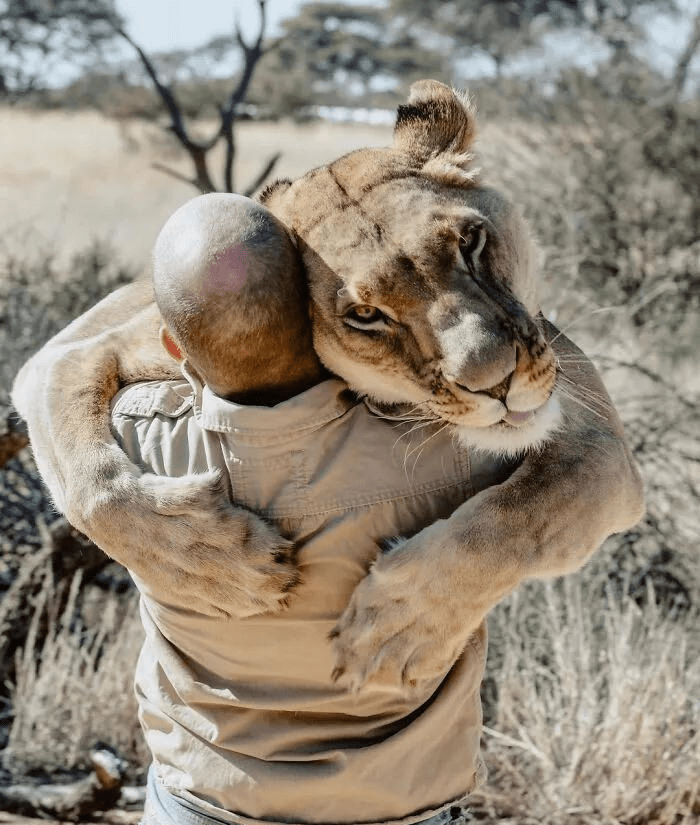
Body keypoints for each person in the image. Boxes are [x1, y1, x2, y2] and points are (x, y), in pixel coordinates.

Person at [112, 193, 517, 825]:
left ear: (170, 345)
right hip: (403, 809)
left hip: (202, 803)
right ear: (314, 311)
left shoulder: (134, 437)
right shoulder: (449, 450)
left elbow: (72, 362)